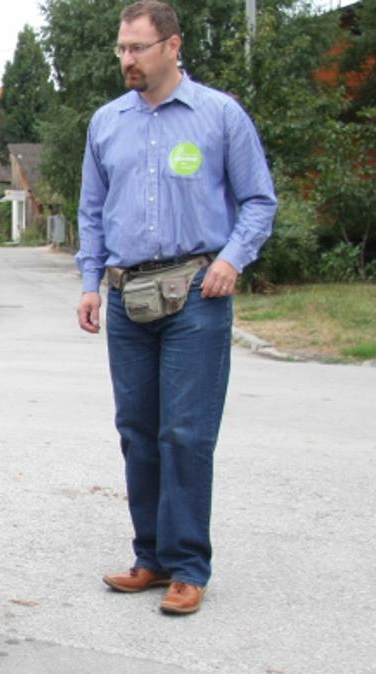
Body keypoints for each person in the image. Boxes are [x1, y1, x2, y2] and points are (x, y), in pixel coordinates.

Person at [75, 1, 276, 615]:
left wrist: (230, 260)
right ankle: (152, 559)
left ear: (172, 47)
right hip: (127, 293)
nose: (126, 59)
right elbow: (90, 212)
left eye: (137, 48)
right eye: (121, 48)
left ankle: (189, 566)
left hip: (197, 292)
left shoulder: (219, 115)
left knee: (184, 434)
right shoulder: (107, 124)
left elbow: (258, 201)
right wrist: (89, 281)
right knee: (137, 432)